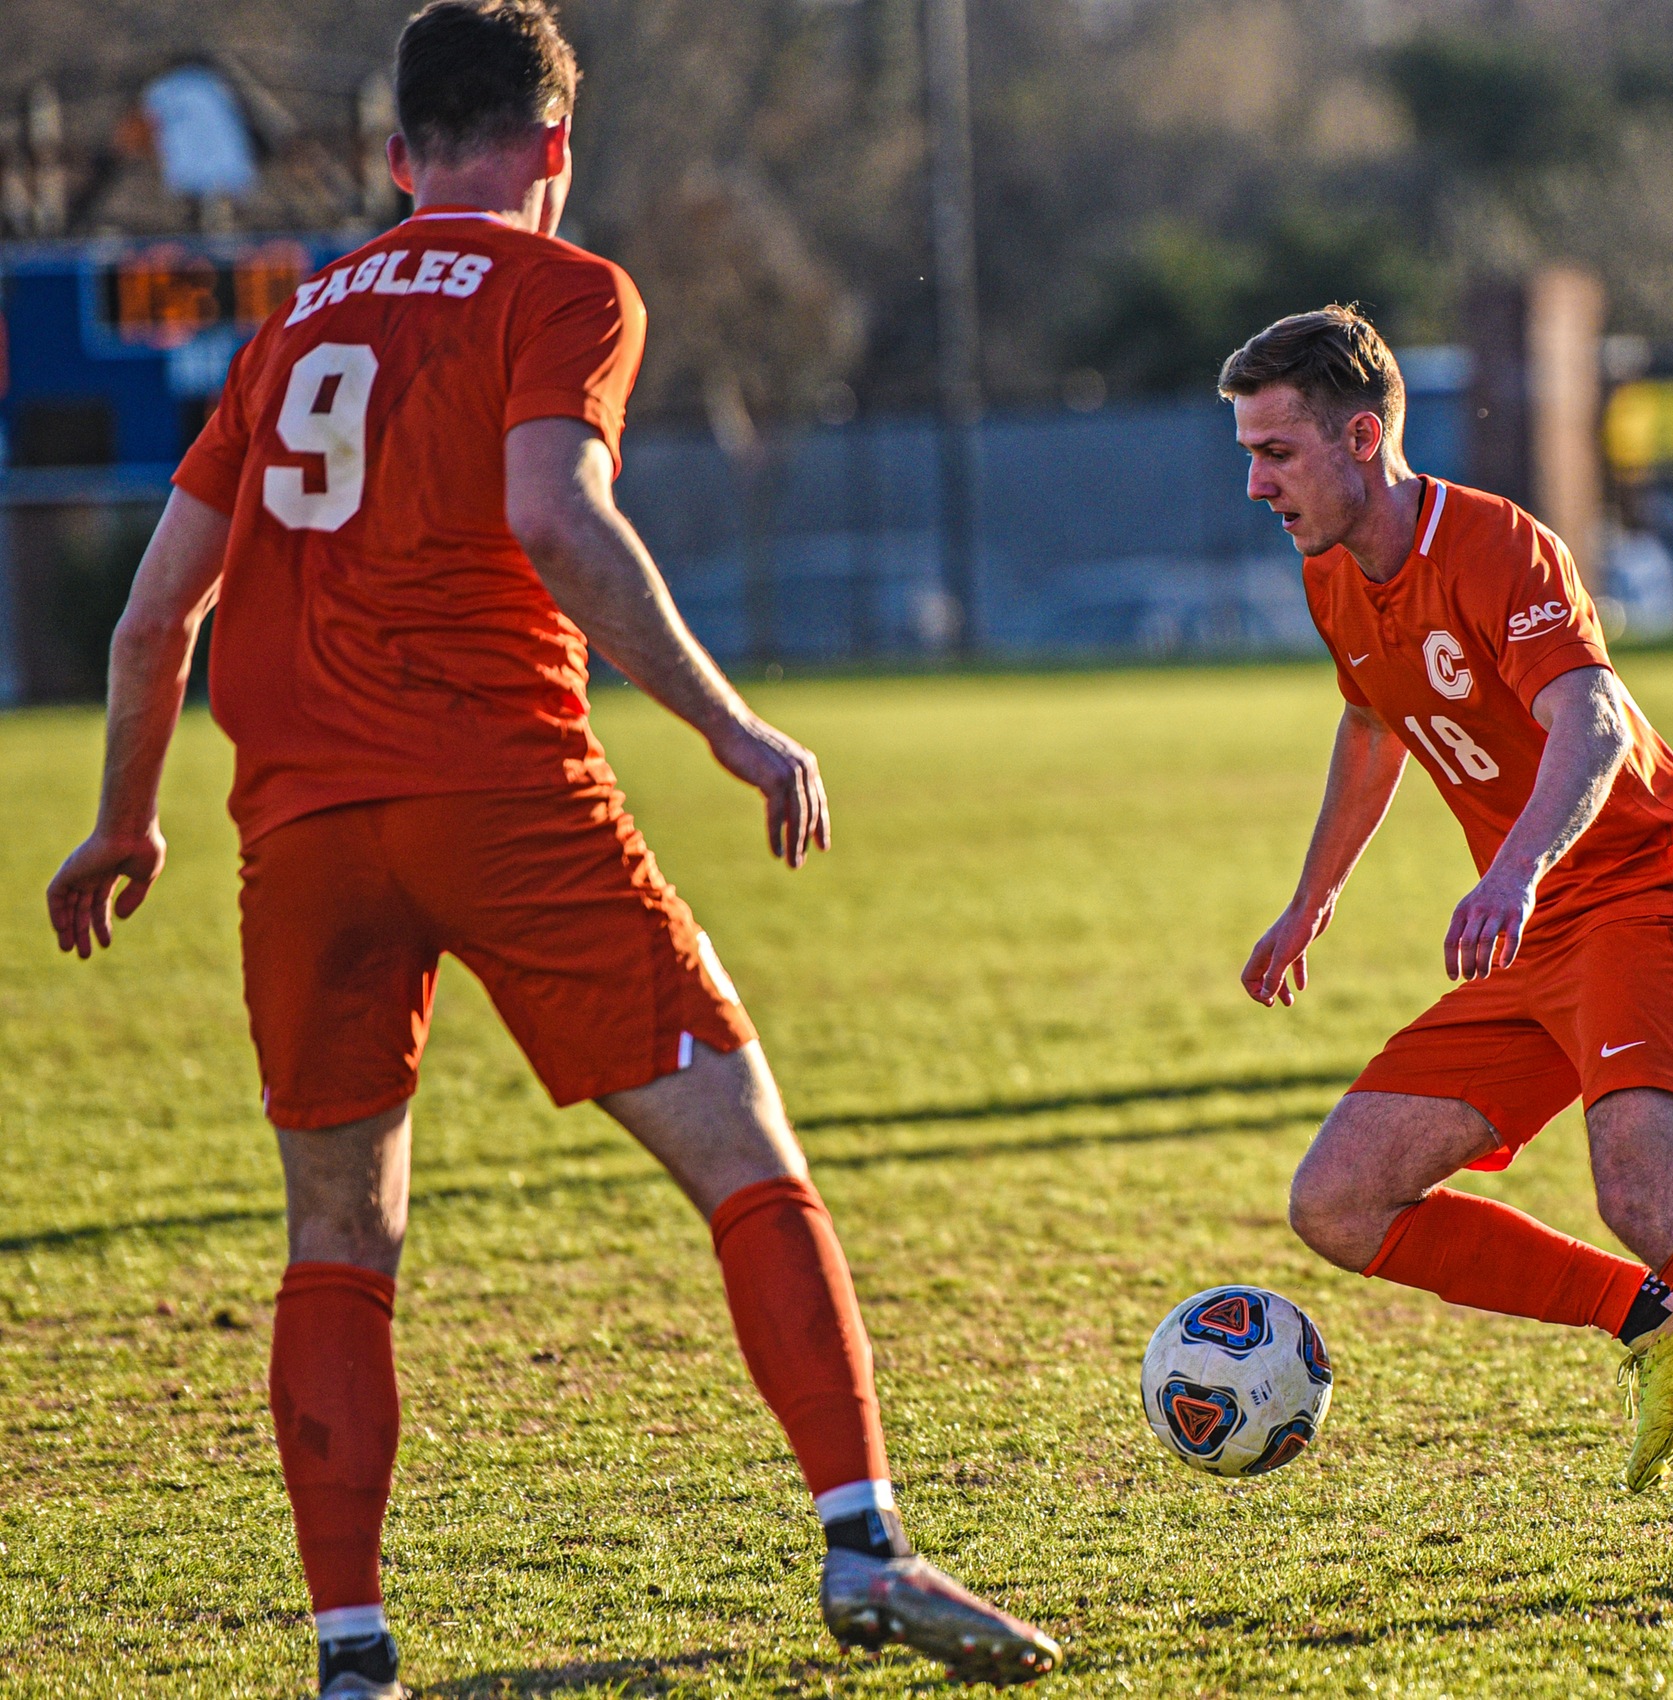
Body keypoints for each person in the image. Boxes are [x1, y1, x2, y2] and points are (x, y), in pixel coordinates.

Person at [42, 4, 1058, 1692]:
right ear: (556, 148)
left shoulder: (288, 330)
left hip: (299, 832)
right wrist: (732, 726)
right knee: (744, 1152)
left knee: (337, 1236)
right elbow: (548, 516)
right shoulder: (565, 289)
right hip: (502, 797)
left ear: (393, 155)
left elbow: (156, 621)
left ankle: (352, 1656)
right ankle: (866, 1547)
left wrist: (126, 816)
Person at [1224, 305, 1673, 1580]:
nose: (1255, 479)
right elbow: (1374, 725)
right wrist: (1310, 895)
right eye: (1249, 450)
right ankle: (1651, 1319)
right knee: (1336, 1199)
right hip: (1537, 924)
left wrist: (1510, 869)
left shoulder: (1497, 544)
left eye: (1276, 450)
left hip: (1643, 890)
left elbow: (1594, 721)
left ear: (1362, 435)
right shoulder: (1329, 570)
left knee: (1647, 1194)